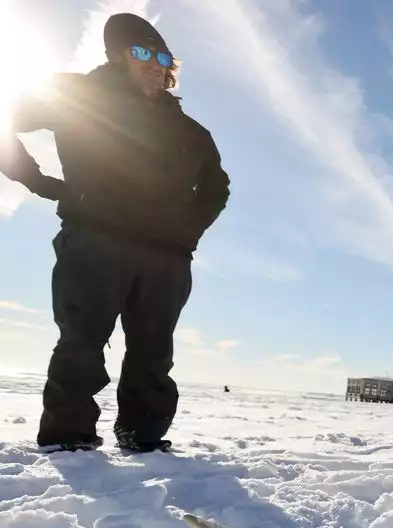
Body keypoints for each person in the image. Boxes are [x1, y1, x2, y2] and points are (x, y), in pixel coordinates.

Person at [0, 13, 230, 453]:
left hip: (166, 256)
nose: (153, 62)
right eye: (141, 52)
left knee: (154, 354)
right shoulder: (78, 95)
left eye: (162, 55)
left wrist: (189, 229)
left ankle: (142, 436)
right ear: (117, 55)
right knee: (82, 342)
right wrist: (37, 180)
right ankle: (69, 440)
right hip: (95, 241)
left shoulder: (191, 131)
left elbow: (217, 187)